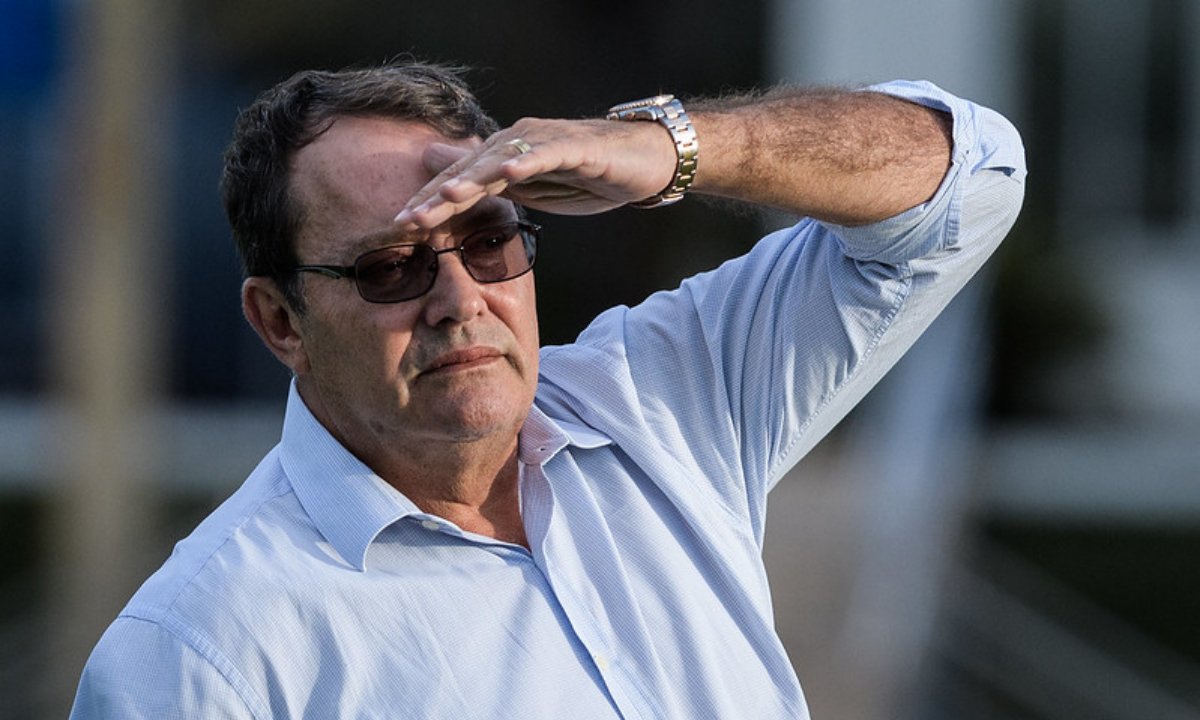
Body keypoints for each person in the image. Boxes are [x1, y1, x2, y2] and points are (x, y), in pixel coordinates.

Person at [70, 60, 1025, 718]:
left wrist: (670, 148)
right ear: (281, 322)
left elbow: (974, 175)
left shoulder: (660, 400)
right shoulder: (199, 651)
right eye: (392, 267)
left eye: (488, 240)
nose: (460, 300)